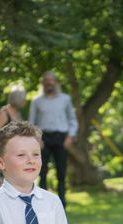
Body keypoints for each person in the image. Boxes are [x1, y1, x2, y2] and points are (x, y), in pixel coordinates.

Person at [28, 72, 78, 208]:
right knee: (41, 171)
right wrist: (37, 140)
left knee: (61, 172)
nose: (49, 83)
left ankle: (62, 203)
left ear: (56, 82)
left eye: (51, 80)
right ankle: (41, 202)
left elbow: (72, 120)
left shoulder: (65, 99)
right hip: (43, 139)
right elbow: (31, 123)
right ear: (42, 83)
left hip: (61, 138)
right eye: (46, 81)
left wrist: (70, 137)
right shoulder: (36, 101)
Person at [0, 86, 27, 190]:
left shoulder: (17, 113)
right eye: (24, 98)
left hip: (16, 155)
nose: (25, 100)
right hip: (4, 154)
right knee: (0, 185)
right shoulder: (3, 113)